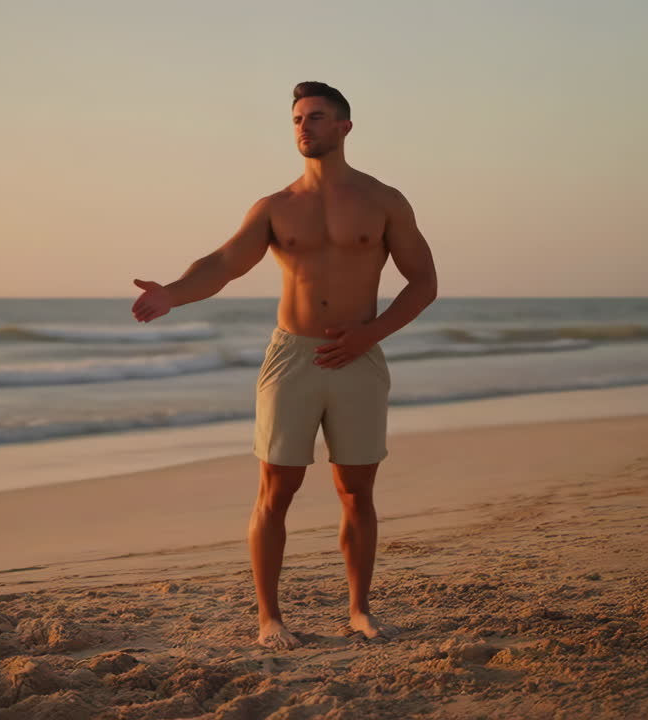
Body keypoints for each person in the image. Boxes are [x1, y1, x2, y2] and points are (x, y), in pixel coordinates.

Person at [131, 81, 437, 649]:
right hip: (292, 356)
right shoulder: (276, 207)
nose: (304, 127)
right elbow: (224, 263)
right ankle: (269, 617)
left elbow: (424, 283)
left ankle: (359, 610)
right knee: (276, 490)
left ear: (345, 127)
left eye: (316, 117)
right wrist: (172, 292)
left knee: (356, 491)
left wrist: (370, 333)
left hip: (359, 355)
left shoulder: (384, 200)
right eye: (297, 118)